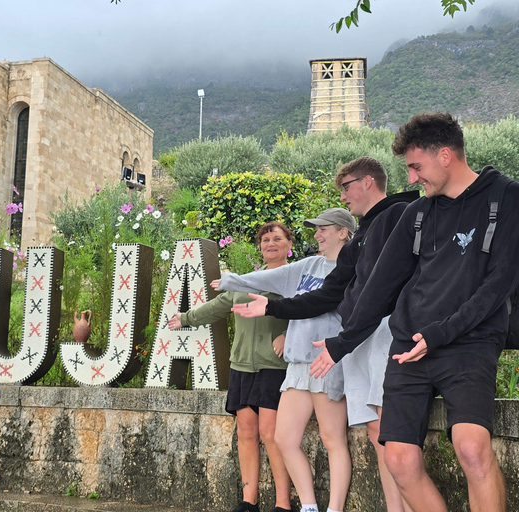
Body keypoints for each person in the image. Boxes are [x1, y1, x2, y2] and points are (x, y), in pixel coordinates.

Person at [310, 112, 518, 512]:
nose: (410, 179)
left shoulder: (507, 198)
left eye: (415, 166)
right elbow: (380, 287)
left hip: (469, 342)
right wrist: (342, 342)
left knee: (472, 448)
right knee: (399, 460)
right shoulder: (416, 214)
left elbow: (499, 285)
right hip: (408, 345)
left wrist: (440, 334)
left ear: (445, 156)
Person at [234, 157, 418, 512]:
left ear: (367, 182)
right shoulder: (359, 240)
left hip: (372, 341)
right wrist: (267, 304)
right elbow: (326, 296)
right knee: (377, 434)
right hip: (346, 347)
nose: (344, 195)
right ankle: (313, 507)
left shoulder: (400, 217)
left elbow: (355, 296)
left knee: (385, 436)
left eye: (346, 187)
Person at [220, 208, 357, 512]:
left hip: (326, 361)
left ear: (343, 232)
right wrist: (230, 281)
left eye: (323, 229)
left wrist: (270, 308)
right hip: (297, 365)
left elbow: (315, 304)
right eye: (316, 229)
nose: (317, 235)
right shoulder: (308, 265)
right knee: (284, 438)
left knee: (332, 439)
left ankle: (333, 509)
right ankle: (308, 506)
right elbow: (268, 277)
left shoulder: (353, 270)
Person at [167, 222, 294, 512]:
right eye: (265, 239)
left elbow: (309, 311)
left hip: (274, 366)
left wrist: (290, 336)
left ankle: (283, 504)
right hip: (241, 367)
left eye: (277, 238)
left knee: (269, 433)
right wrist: (185, 318)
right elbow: (219, 305)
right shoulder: (246, 280)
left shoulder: (294, 279)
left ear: (289, 244)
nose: (270, 243)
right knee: (246, 432)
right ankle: (249, 502)